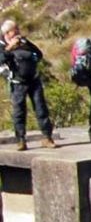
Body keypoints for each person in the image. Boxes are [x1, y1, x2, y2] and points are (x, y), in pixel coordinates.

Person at [0, 20, 54, 150]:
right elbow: (1, 59)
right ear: (7, 33)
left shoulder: (25, 42)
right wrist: (10, 47)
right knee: (19, 112)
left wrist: (28, 51)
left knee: (41, 109)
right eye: (15, 30)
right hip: (18, 83)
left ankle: (47, 137)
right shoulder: (2, 46)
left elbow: (39, 54)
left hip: (34, 81)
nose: (18, 32)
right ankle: (21, 140)